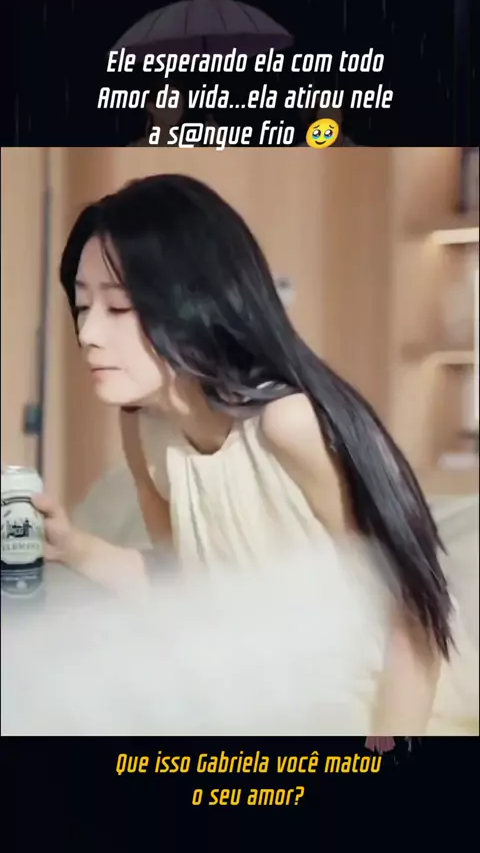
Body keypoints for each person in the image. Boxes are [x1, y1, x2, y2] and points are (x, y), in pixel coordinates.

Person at [33, 174, 477, 735]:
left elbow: (411, 612)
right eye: (82, 306)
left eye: (118, 307)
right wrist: (72, 546)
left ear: (195, 303)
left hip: (387, 696)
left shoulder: (287, 425)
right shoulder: (143, 427)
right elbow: (186, 586)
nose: (89, 333)